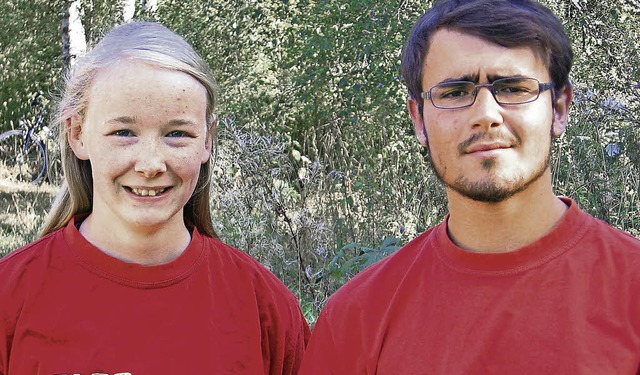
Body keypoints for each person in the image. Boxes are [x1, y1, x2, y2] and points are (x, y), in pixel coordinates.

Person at [300, 0, 640, 373]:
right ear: (419, 120)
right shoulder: (356, 318)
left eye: (512, 88)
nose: (485, 115)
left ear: (559, 108)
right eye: (455, 93)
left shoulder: (631, 288)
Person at [0, 21, 309, 374]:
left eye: (177, 133)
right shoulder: (11, 297)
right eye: (123, 132)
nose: (150, 164)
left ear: (206, 141)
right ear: (78, 134)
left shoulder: (263, 306)